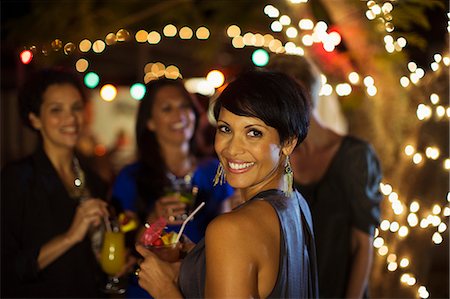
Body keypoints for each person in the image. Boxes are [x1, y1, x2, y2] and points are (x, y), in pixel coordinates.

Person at [135, 70, 319, 298]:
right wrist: (198, 259)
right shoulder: (297, 204)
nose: (232, 149)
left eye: (253, 133)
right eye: (225, 129)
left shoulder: (231, 229)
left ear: (288, 142)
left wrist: (164, 290)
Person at [267, 54, 382, 298]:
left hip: (341, 289)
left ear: (309, 93)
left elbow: (364, 244)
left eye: (292, 93)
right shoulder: (278, 157)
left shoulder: (354, 155)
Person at [111, 78, 234, 298]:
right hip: (146, 290)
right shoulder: (131, 177)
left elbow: (227, 242)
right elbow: (122, 249)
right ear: (149, 122)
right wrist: (155, 219)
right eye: (167, 108)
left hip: (199, 287)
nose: (180, 115)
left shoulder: (216, 171)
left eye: (185, 106)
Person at [1, 68, 110, 297]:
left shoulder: (94, 180)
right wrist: (70, 237)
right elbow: (8, 269)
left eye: (76, 108)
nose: (70, 118)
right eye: (56, 110)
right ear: (35, 119)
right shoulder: (17, 180)